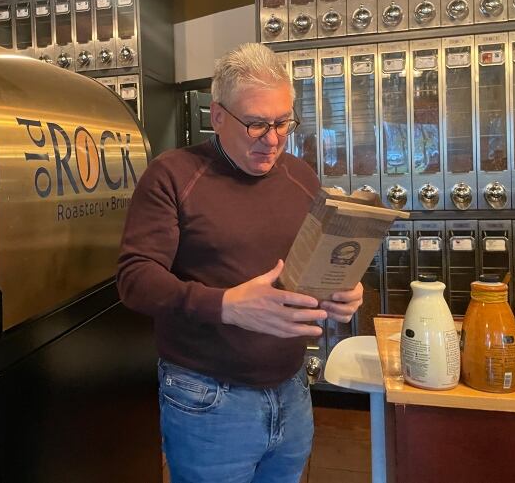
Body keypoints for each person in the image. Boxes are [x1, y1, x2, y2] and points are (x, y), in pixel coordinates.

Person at [117, 43, 363, 483]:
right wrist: (226, 304)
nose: (272, 139)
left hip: (292, 389)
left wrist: (343, 289)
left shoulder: (300, 175)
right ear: (217, 117)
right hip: (208, 398)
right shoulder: (173, 175)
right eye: (255, 124)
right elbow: (135, 279)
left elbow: (316, 259)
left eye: (283, 122)